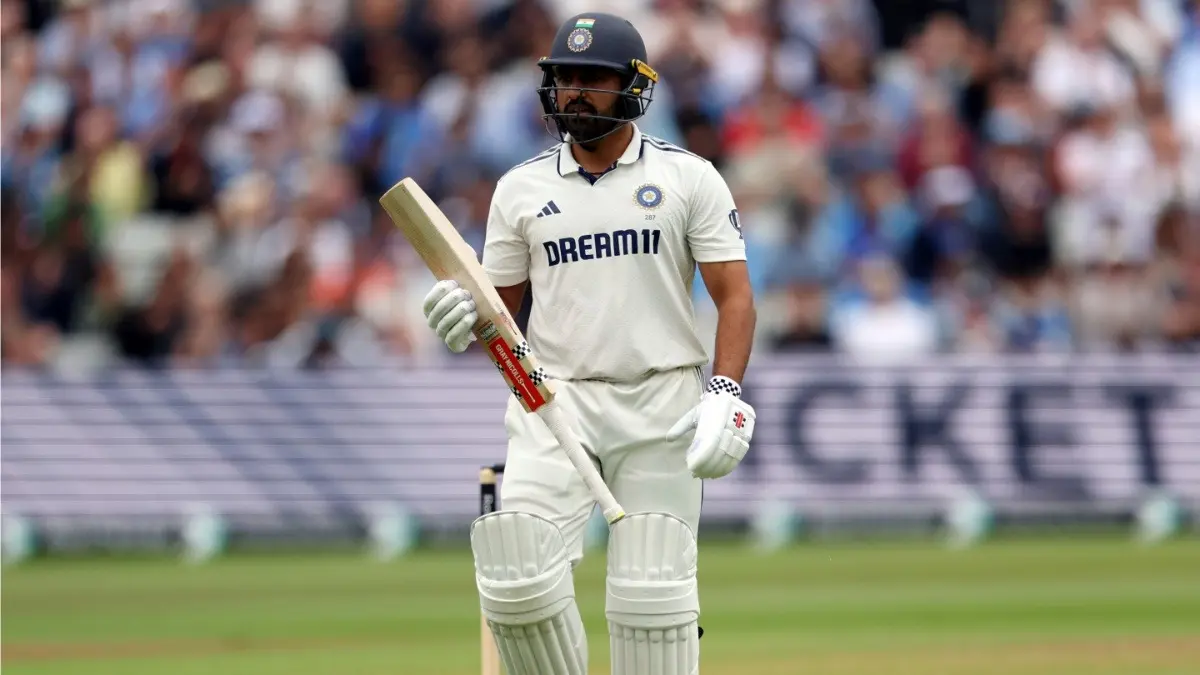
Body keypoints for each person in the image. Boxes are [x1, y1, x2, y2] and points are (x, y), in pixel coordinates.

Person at [420, 12, 756, 675]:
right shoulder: (520, 189)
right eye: (563, 78)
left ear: (633, 86)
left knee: (652, 596)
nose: (574, 91)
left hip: (662, 401)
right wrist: (461, 312)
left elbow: (736, 296)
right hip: (554, 401)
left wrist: (724, 389)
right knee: (515, 574)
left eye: (592, 79)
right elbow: (498, 311)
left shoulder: (690, 178)